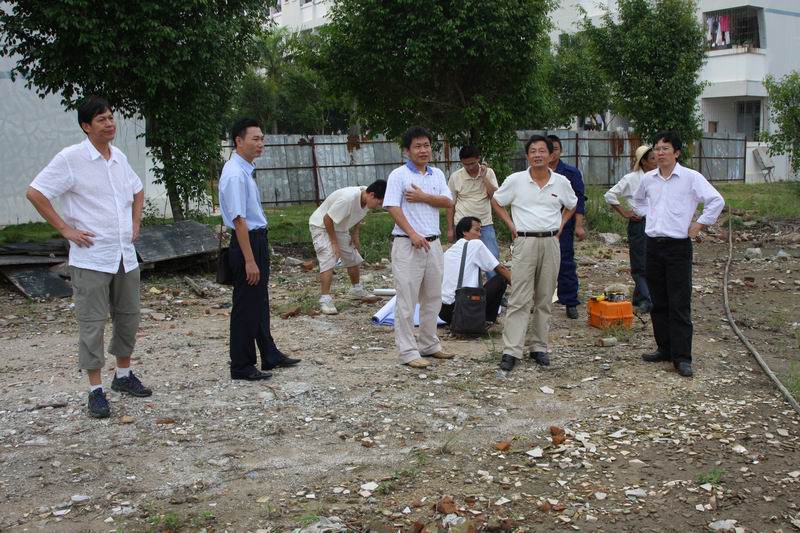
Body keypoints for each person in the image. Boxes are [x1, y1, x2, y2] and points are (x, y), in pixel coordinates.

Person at [25, 96, 150, 418]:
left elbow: (137, 190)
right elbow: (35, 193)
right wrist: (65, 229)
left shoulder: (119, 158)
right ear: (86, 126)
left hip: (123, 256)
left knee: (128, 318)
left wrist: (135, 222)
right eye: (101, 120)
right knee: (92, 324)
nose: (109, 124)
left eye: (111, 118)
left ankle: (123, 375)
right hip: (92, 258)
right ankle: (95, 390)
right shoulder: (71, 158)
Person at [633, 131, 724, 378]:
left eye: (665, 149)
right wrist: (650, 215)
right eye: (657, 149)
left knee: (679, 302)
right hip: (653, 245)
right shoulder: (648, 179)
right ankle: (664, 348)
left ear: (677, 152)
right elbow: (638, 202)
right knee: (658, 300)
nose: (660, 153)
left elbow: (716, 200)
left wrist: (699, 224)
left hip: (678, 247)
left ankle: (682, 357)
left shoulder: (691, 178)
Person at [219, 118, 300, 381]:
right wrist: (249, 260)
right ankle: (241, 365)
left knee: (259, 302)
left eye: (262, 138)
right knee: (246, 306)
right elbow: (239, 220)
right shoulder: (234, 174)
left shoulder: (245, 170)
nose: (261, 143)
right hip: (247, 242)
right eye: (255, 139)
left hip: (256, 239)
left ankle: (269, 353)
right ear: (238, 141)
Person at [492, 135, 577, 372]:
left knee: (545, 297)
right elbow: (496, 201)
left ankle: (539, 347)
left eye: (542, 151)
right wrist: (510, 224)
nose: (537, 155)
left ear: (551, 155)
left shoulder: (561, 182)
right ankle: (511, 350)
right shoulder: (516, 180)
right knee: (519, 297)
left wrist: (561, 225)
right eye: (533, 151)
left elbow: (572, 205)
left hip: (551, 242)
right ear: (527, 155)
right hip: (525, 241)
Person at [383, 126, 454, 369]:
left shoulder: (437, 175)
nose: (423, 150)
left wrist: (424, 197)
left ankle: (429, 344)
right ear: (407, 151)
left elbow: (448, 201)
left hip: (433, 243)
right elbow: (392, 206)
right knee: (407, 300)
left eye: (426, 145)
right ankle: (407, 351)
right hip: (407, 243)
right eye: (417, 146)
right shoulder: (399, 175)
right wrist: (412, 233)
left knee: (433, 298)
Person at [309, 180, 387, 315]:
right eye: (379, 203)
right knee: (329, 257)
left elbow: (360, 213)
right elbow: (327, 219)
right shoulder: (347, 199)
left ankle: (356, 290)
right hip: (321, 226)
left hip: (340, 226)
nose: (379, 206)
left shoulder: (366, 196)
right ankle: (325, 299)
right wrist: (334, 243)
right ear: (372, 195)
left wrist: (355, 233)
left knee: (352, 257)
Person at [604, 145, 657, 313]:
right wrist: (624, 212)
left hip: (656, 224)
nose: (656, 161)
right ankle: (647, 300)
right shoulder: (632, 178)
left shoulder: (659, 177)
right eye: (653, 158)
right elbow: (610, 195)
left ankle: (640, 297)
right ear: (644, 162)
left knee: (652, 260)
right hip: (640, 223)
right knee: (640, 263)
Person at [439, 216, 511, 326]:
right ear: (464, 232)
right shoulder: (475, 244)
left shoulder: (448, 252)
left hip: (444, 312)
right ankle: (486, 321)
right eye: (476, 230)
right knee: (501, 279)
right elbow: (499, 268)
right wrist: (522, 289)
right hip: (464, 307)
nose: (480, 234)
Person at [547, 134, 585, 320]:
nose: (552, 153)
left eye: (555, 149)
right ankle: (538, 300)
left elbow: (578, 201)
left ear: (561, 151)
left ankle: (570, 301)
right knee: (538, 264)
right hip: (539, 224)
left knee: (565, 262)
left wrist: (579, 225)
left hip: (564, 225)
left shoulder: (570, 173)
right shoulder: (535, 173)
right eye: (549, 149)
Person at [446, 146, 501, 276]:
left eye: (472, 163)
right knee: (466, 262)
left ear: (478, 159)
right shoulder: (455, 177)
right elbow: (450, 204)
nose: (470, 167)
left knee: (492, 260)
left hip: (485, 224)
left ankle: (496, 288)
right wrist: (450, 228)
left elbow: (494, 196)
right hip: (463, 225)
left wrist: (484, 177)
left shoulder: (489, 173)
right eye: (466, 164)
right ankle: (470, 288)